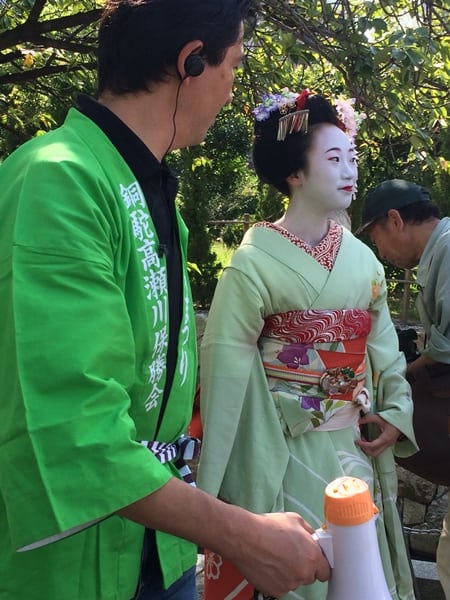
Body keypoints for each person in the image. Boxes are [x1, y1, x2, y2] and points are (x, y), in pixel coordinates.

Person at [0, 3, 331, 599]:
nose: (232, 90)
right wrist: (243, 535)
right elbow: (75, 430)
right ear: (191, 61)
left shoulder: (153, 194)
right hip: (77, 554)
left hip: (163, 539)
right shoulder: (58, 181)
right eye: (231, 66)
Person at [197, 88, 418, 600]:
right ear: (294, 174)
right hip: (278, 446)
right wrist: (209, 499)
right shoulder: (251, 265)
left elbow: (381, 345)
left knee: (360, 569)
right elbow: (227, 371)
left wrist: (394, 410)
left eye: (353, 159)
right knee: (300, 576)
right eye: (334, 159)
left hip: (351, 444)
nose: (351, 172)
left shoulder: (363, 261)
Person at [357, 178, 450, 600]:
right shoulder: (439, 252)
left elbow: (446, 349)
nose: (380, 252)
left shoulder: (447, 251)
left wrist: (400, 375)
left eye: (377, 239)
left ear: (395, 220)